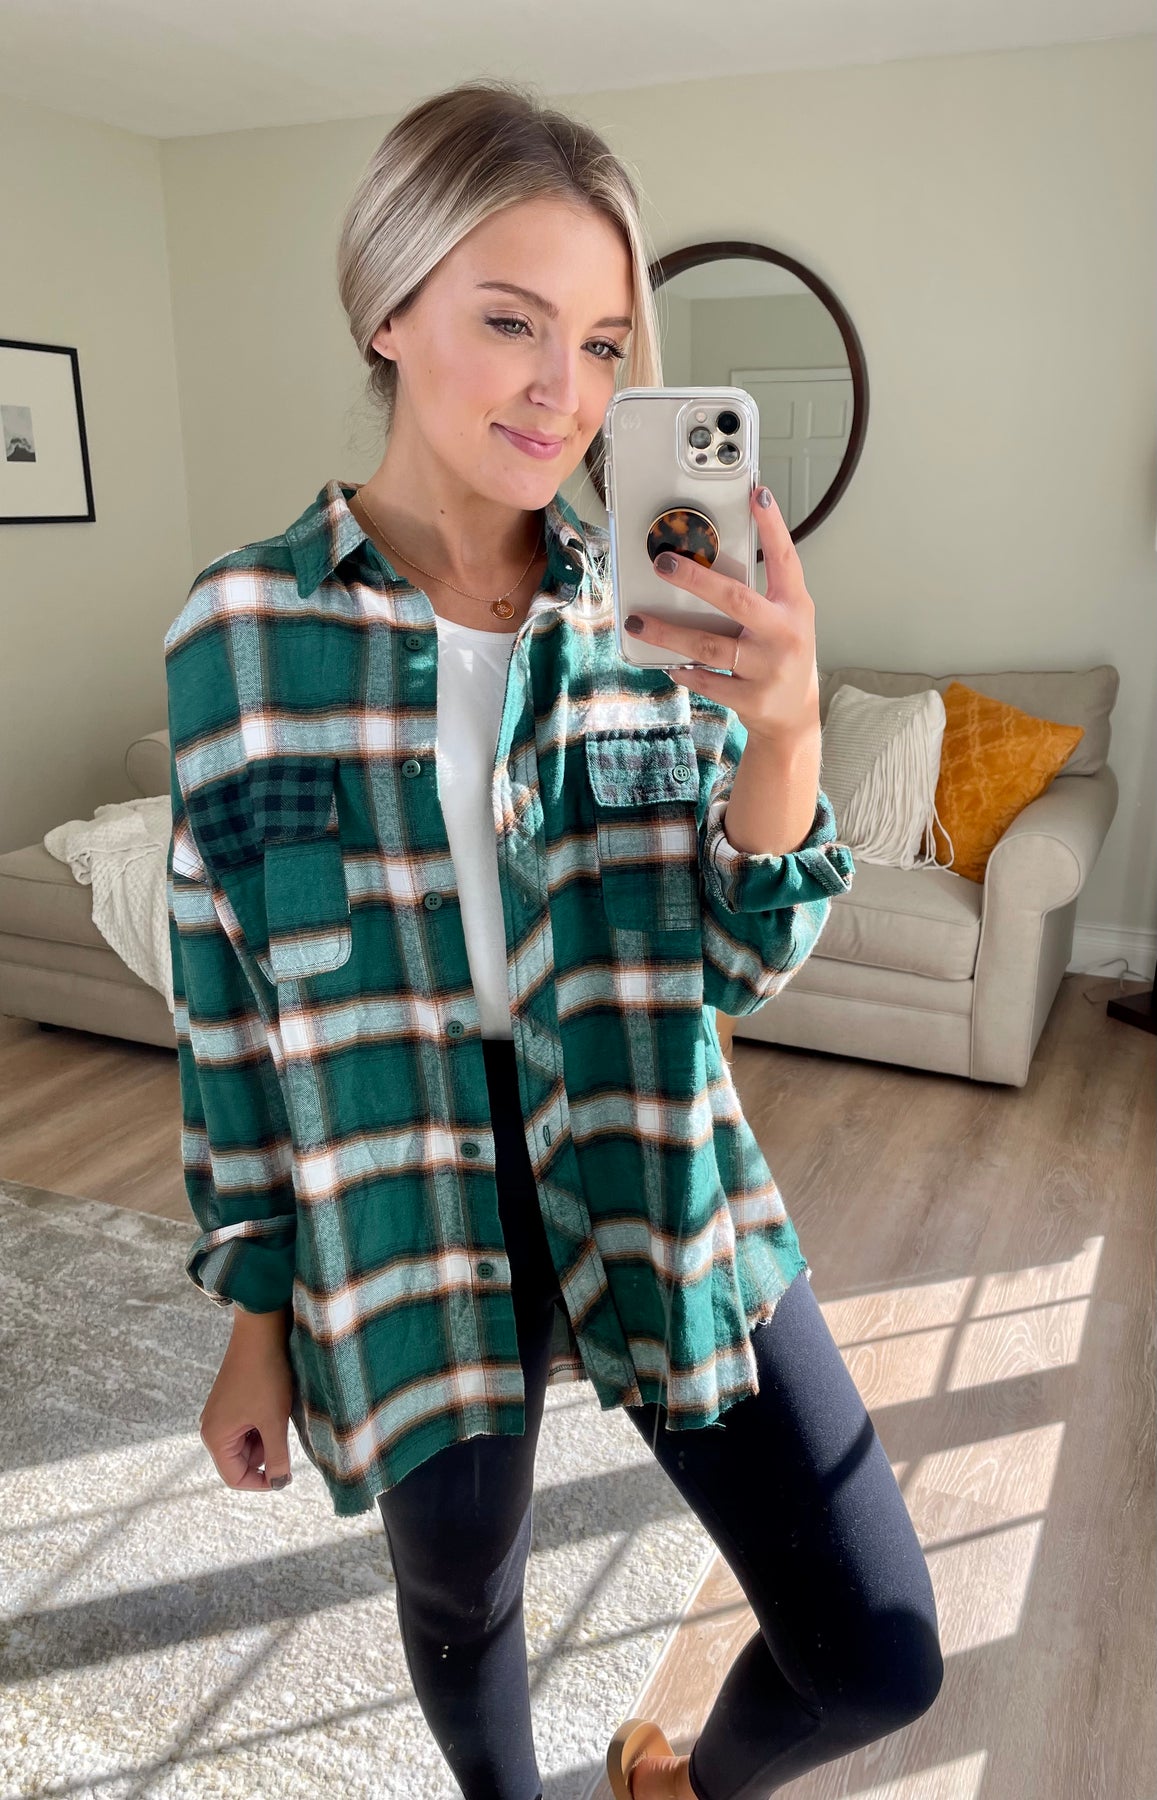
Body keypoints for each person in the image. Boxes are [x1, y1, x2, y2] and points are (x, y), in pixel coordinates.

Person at [165, 76, 943, 1800]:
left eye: (600, 345)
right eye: (511, 321)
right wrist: (253, 1307)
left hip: (652, 1155)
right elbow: (229, 1004)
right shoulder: (240, 630)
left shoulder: (642, 614)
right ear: (388, 308)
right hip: (396, 1196)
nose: (562, 392)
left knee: (876, 1652)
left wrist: (787, 736)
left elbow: (730, 971)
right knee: (463, 1592)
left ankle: (672, 1785)